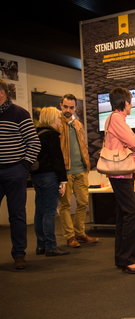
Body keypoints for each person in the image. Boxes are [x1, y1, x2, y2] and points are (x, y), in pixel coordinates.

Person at [103, 87, 135, 274]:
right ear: (124, 103)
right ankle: (128, 260)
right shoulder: (116, 118)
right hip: (121, 173)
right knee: (133, 213)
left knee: (124, 215)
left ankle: (122, 259)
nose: (132, 105)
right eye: (130, 102)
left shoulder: (113, 119)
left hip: (121, 173)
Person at [0, 79, 41, 269]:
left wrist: (23, 167)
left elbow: (34, 143)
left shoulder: (19, 113)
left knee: (17, 215)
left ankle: (19, 255)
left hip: (15, 171)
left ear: (2, 93)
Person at [57, 94, 99, 248]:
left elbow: (83, 146)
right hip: (65, 172)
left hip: (81, 170)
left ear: (75, 107)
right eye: (66, 106)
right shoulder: (57, 124)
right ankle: (69, 237)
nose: (68, 110)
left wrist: (86, 164)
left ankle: (79, 233)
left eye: (71, 107)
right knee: (65, 205)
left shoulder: (78, 125)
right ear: (61, 105)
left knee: (83, 202)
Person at [30, 107, 70, 257]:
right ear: (52, 118)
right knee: (49, 211)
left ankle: (41, 245)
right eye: (58, 118)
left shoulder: (36, 134)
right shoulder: (52, 136)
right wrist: (63, 180)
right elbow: (57, 160)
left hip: (37, 176)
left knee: (39, 211)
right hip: (49, 177)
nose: (60, 120)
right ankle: (51, 246)